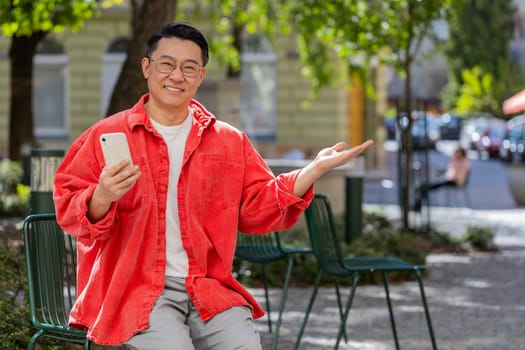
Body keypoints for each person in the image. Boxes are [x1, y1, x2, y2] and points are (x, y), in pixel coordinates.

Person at [53, 22, 373, 350]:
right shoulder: (106, 134)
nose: (177, 76)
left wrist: (313, 169)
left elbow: (258, 208)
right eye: (167, 64)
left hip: (207, 287)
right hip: (137, 290)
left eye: (189, 67)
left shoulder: (228, 141)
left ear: (200, 77)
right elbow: (68, 207)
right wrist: (102, 195)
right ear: (147, 68)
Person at [412, 147, 470, 211]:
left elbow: (459, 176)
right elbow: (449, 172)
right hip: (450, 180)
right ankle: (421, 196)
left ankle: (422, 196)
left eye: (457, 153)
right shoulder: (456, 161)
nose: (456, 154)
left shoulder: (464, 162)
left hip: (456, 182)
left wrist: (454, 164)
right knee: (430, 184)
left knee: (432, 185)